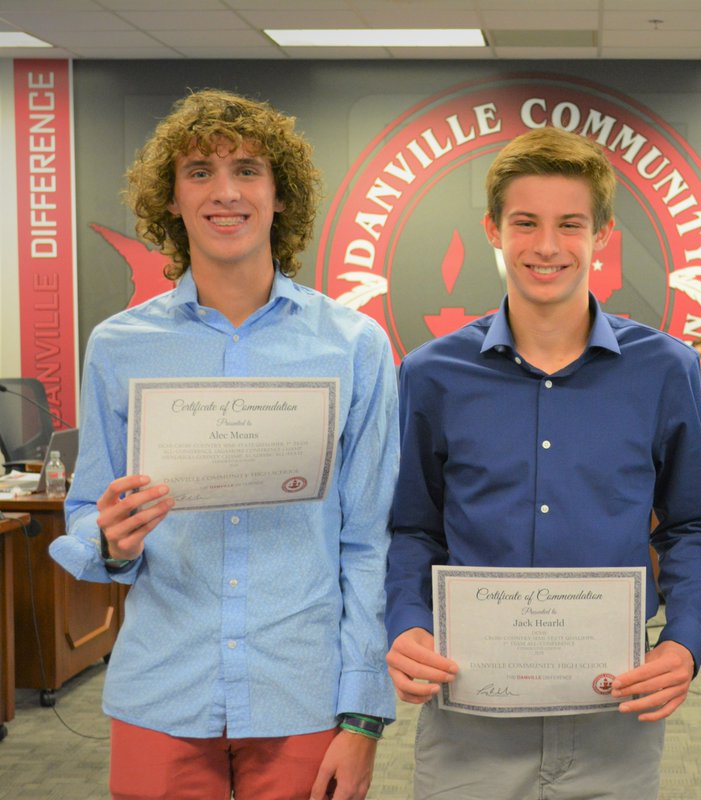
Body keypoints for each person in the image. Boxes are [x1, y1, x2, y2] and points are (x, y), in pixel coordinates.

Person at [49, 89, 399, 800]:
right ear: (171, 199)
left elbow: (369, 542)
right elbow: (87, 511)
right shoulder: (118, 346)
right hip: (163, 685)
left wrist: (364, 714)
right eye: (200, 172)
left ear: (279, 195)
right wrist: (111, 541)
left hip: (301, 687)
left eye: (247, 170)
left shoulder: (355, 346)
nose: (226, 192)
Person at [384, 126, 701, 800]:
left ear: (602, 234)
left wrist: (685, 638)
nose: (546, 246)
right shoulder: (431, 374)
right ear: (493, 229)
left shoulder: (664, 368)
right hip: (469, 717)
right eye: (525, 223)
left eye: (570, 224)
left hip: (614, 714)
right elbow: (412, 528)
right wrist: (407, 622)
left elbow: (689, 526)